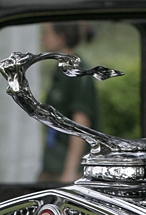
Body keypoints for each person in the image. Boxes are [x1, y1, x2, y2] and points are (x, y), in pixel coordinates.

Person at [39, 22, 99, 183]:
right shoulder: (60, 70)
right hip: (53, 163)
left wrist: (70, 170)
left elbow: (81, 121)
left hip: (68, 168)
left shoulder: (78, 72)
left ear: (60, 39)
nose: (42, 38)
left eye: (47, 34)